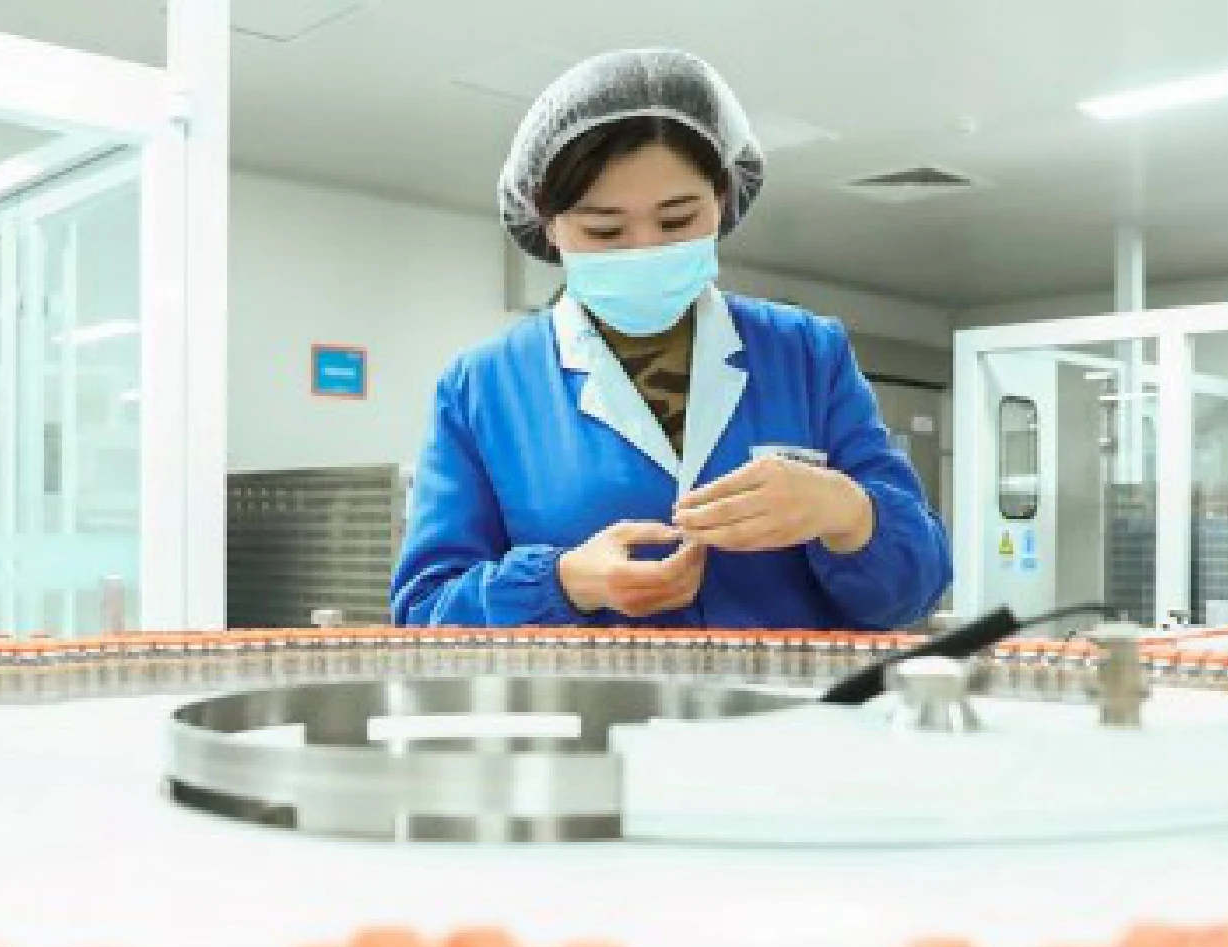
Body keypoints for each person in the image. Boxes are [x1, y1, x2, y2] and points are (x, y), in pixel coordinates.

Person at [391, 48, 952, 630]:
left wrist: (846, 513)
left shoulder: (807, 354)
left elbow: (917, 588)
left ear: (725, 201)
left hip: (788, 717)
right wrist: (562, 584)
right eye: (604, 229)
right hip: (594, 715)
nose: (643, 250)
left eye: (678, 220)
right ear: (546, 225)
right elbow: (425, 613)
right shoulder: (483, 388)